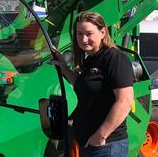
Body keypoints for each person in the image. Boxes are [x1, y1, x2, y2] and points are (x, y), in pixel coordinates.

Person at [53, 11, 134, 157]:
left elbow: (125, 101)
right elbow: (83, 86)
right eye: (79, 34)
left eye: (89, 33)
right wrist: (64, 68)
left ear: (103, 32)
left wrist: (101, 135)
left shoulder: (115, 59)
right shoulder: (90, 60)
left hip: (107, 146)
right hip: (88, 144)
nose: (83, 39)